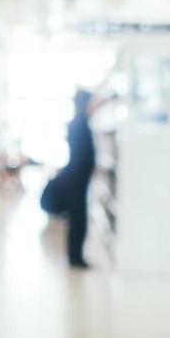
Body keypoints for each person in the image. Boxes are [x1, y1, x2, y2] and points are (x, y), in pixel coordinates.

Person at [64, 89, 96, 270]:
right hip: (77, 179)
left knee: (77, 218)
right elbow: (84, 155)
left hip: (77, 178)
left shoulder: (78, 123)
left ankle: (75, 256)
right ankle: (76, 257)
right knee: (78, 218)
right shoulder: (80, 124)